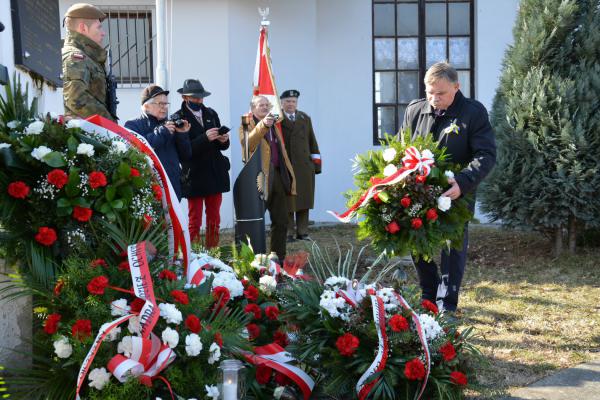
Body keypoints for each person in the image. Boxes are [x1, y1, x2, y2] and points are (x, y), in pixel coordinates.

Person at [401, 62, 496, 314]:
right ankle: (429, 293)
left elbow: (486, 154)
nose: (434, 99)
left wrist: (463, 182)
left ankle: (448, 304)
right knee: (415, 240)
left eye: (440, 93)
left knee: (451, 247)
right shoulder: (415, 110)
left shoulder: (473, 112)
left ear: (456, 86)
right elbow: (403, 150)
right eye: (429, 92)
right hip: (418, 191)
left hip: (456, 190)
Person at [172, 79, 230, 247]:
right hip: (194, 176)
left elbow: (223, 147)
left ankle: (213, 254)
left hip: (214, 173)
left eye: (201, 97)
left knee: (214, 220)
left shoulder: (211, 113)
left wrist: (223, 140)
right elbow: (184, 151)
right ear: (184, 97)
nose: (199, 101)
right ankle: (195, 256)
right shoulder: (178, 118)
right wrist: (205, 138)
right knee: (194, 221)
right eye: (194, 98)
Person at [240, 96, 296, 262]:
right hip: (259, 176)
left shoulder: (274, 123)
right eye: (261, 105)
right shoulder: (246, 122)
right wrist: (263, 126)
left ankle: (277, 257)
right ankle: (252, 258)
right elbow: (247, 145)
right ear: (253, 107)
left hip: (278, 174)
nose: (265, 107)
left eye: (267, 105)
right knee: (256, 219)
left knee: (281, 219)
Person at [124, 85, 192, 199]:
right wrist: (162, 132)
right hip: (148, 188)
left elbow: (186, 156)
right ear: (146, 106)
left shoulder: (171, 124)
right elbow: (138, 149)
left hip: (173, 187)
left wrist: (182, 134)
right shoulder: (132, 125)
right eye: (160, 104)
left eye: (166, 104)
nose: (164, 107)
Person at [279, 90, 321, 242]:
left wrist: (316, 165)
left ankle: (303, 232)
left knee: (304, 199)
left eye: (293, 101)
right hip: (287, 166)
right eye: (288, 101)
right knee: (288, 201)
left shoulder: (305, 118)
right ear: (282, 103)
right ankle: (289, 232)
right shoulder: (277, 119)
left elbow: (312, 141)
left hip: (304, 167)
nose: (291, 104)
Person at [61, 3, 114, 120]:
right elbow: (76, 99)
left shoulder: (88, 58)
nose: (103, 33)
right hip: (81, 133)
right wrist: (110, 122)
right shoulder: (75, 57)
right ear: (83, 28)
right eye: (98, 27)